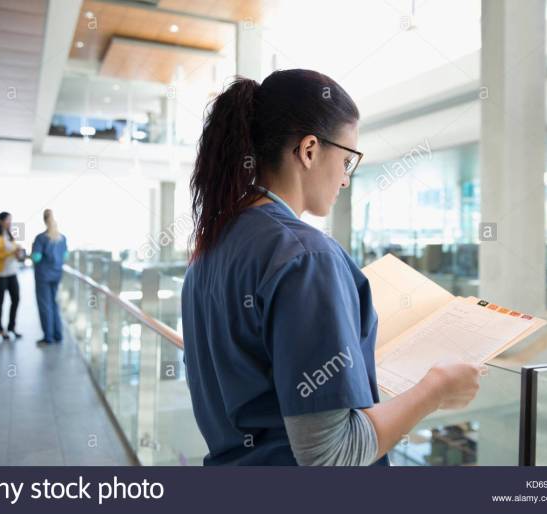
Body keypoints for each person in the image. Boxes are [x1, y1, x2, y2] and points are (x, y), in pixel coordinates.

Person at [181, 69, 481, 466]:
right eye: (347, 160)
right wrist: (436, 388)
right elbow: (330, 455)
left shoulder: (213, 244)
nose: (345, 180)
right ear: (309, 150)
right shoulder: (307, 257)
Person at [31, 209, 68, 344]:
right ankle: (58, 334)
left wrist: (30, 254)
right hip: (57, 274)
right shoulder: (62, 238)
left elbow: (36, 257)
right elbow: (65, 256)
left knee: (45, 305)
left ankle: (48, 337)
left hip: (43, 276)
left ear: (44, 220)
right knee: (54, 304)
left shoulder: (41, 238)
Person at [0, 211, 23, 341]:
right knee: (0, 301)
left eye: (11, 220)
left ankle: (11, 327)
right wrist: (11, 253)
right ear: (0, 221)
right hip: (0, 275)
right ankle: (0, 329)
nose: (10, 222)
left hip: (12, 273)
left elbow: (14, 253)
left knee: (16, 299)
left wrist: (18, 253)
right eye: (8, 220)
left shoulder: (10, 236)